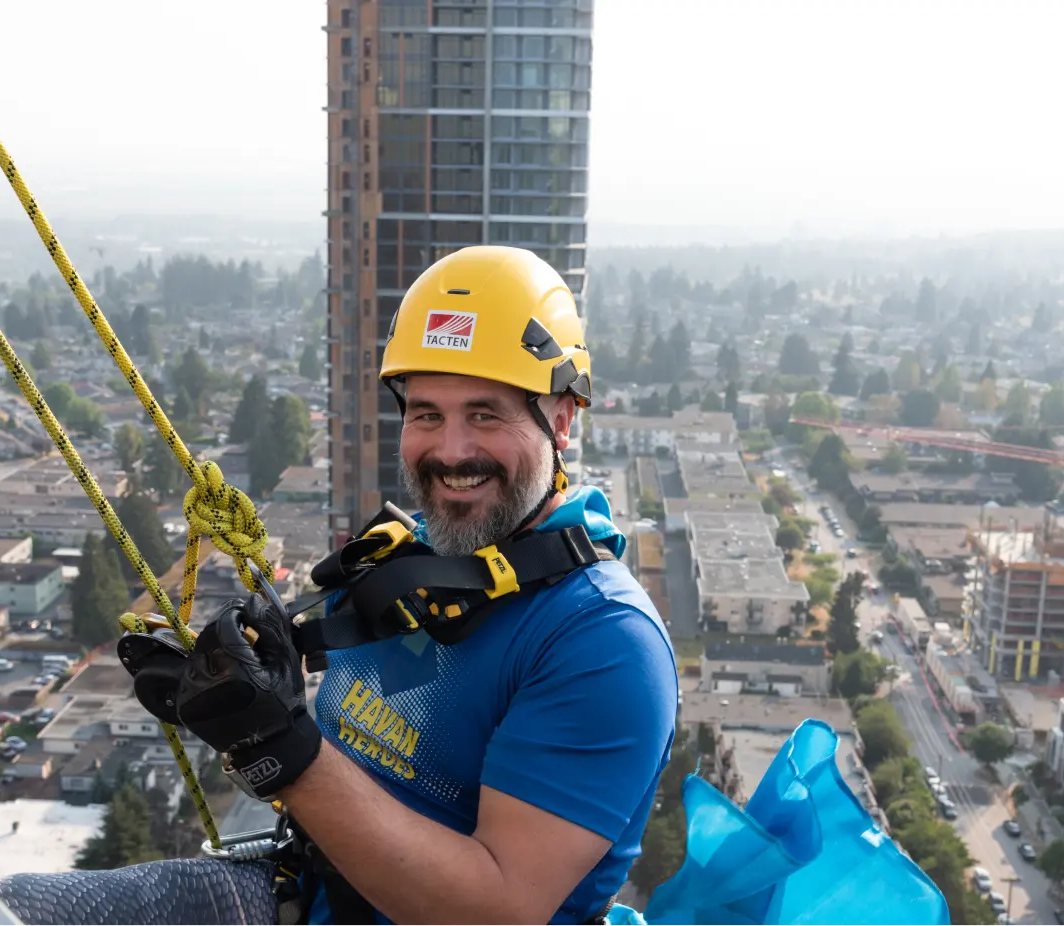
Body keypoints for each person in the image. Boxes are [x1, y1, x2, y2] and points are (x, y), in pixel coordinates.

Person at [142, 246, 678, 925]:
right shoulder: (408, 563)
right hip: (309, 896)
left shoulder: (601, 641)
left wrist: (281, 750)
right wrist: (239, 694)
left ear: (563, 418)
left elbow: (497, 911)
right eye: (426, 413)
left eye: (485, 414)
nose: (451, 451)